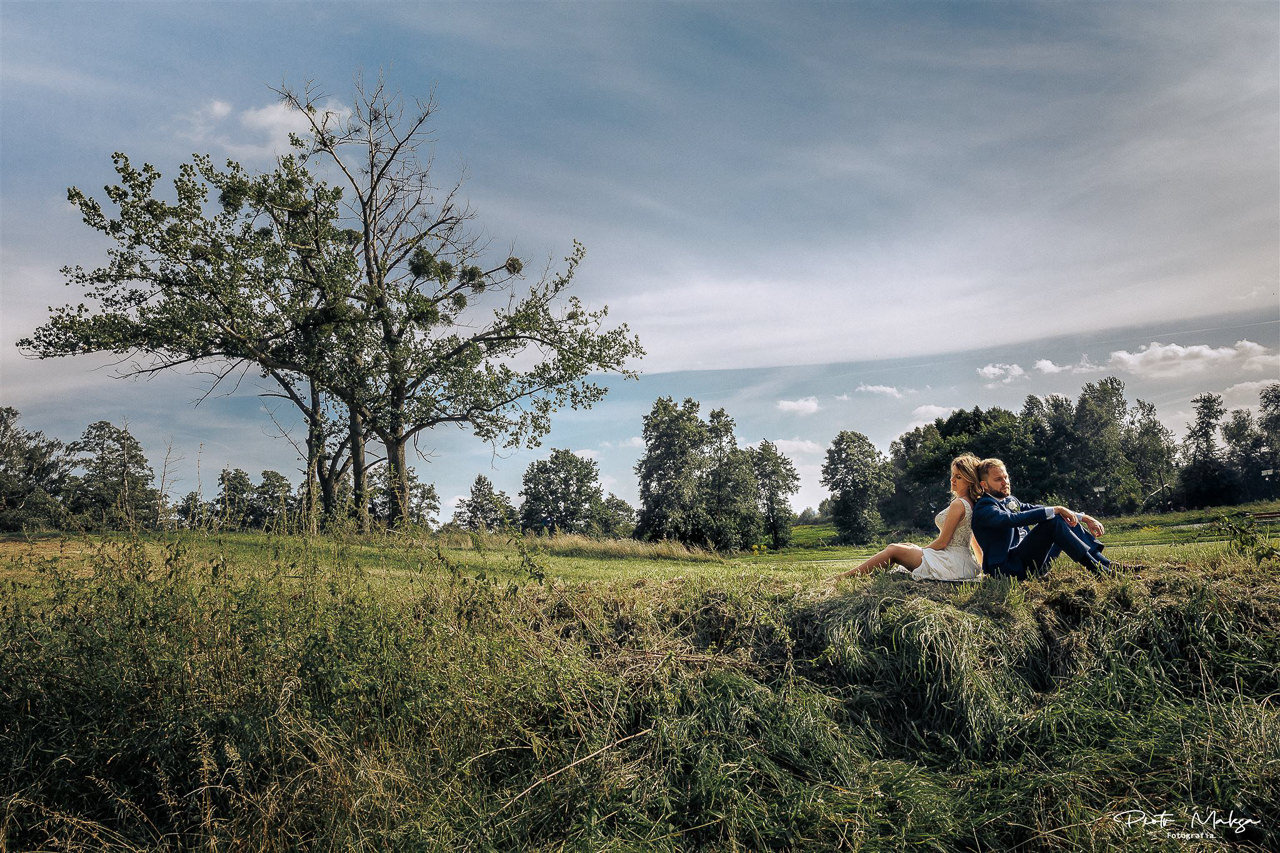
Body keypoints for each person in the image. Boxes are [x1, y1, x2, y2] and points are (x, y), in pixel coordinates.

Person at [834, 454, 983, 581]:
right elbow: (975, 541)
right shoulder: (972, 503)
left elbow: (943, 542)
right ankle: (870, 576)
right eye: (952, 475)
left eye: (958, 477)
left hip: (949, 562)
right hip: (961, 562)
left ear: (970, 480)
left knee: (894, 550)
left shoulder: (959, 504)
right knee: (907, 546)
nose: (952, 480)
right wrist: (981, 566)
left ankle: (843, 577)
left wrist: (922, 550)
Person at [970, 457, 1118, 579]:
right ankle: (1100, 572)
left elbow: (1038, 510)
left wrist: (1084, 518)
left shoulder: (1010, 500)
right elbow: (1011, 519)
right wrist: (1056, 509)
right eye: (998, 479)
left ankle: (1106, 564)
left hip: (1033, 563)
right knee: (1053, 521)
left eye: (1006, 477)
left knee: (1060, 518)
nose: (1005, 482)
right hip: (1008, 570)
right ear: (985, 485)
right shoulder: (984, 507)